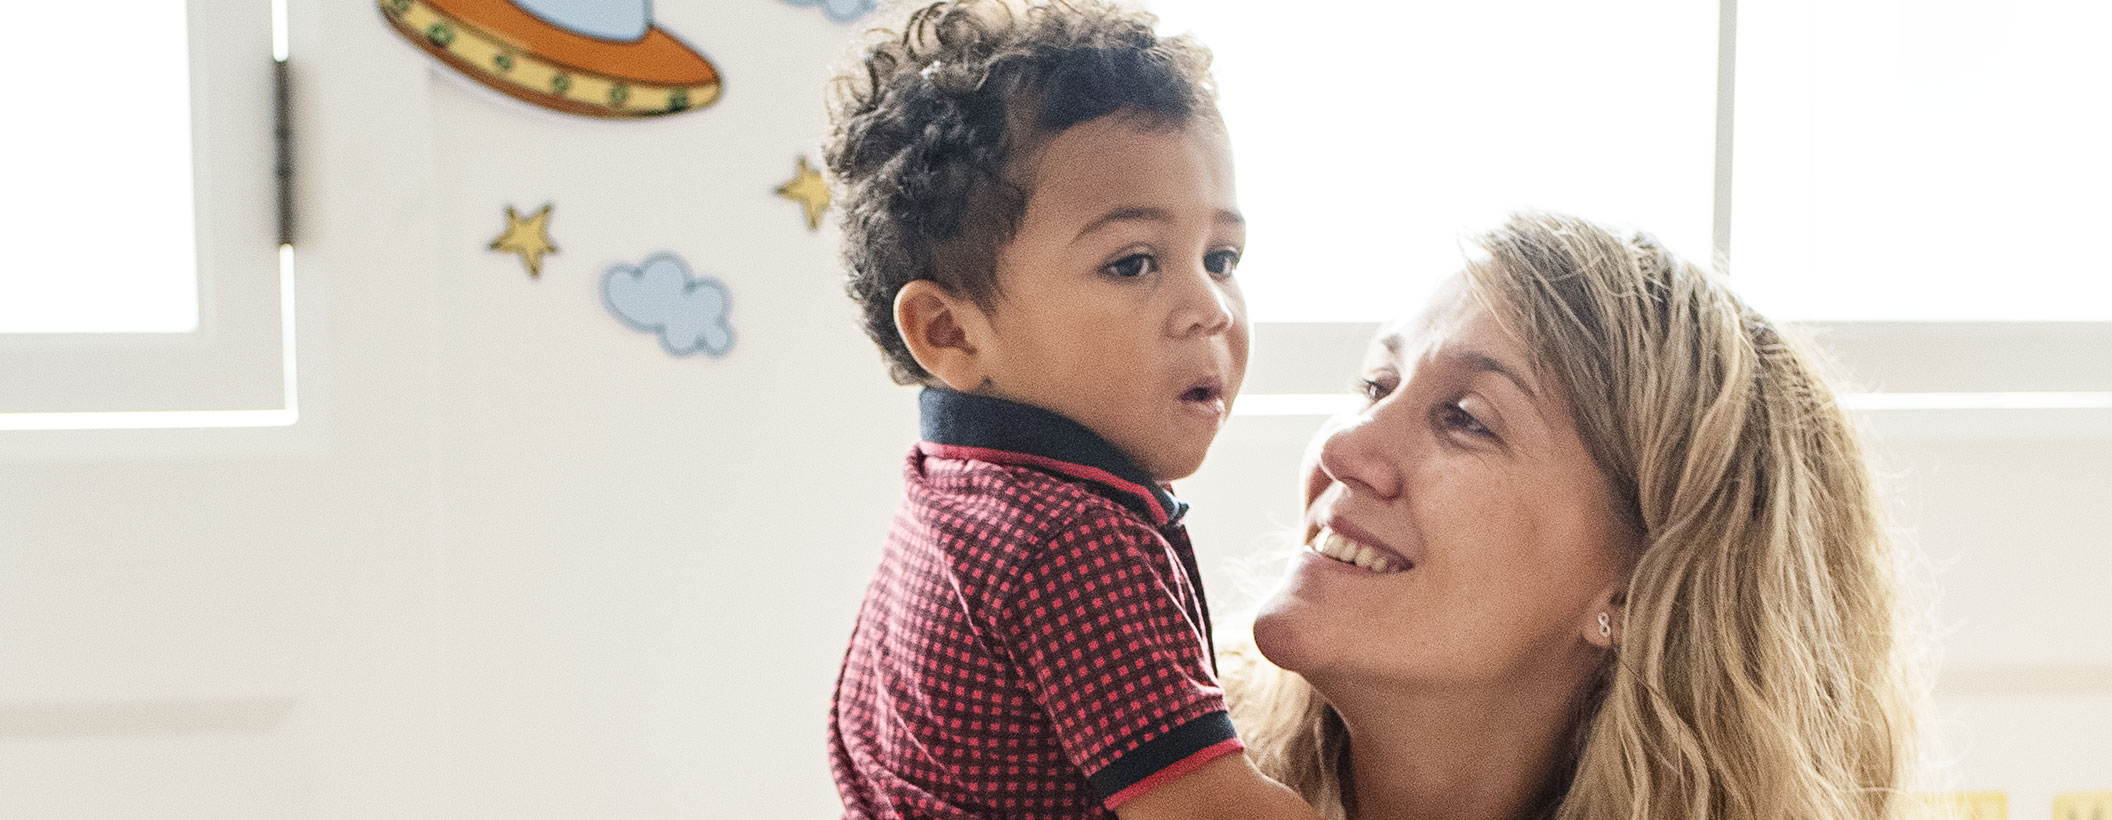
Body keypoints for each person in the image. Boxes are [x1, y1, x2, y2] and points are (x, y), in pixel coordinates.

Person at [1231, 211, 1924, 820]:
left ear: (1638, 588)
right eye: (1375, 386)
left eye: (1466, 420)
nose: (1345, 446)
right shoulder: (1135, 752)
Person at [823, 2, 1321, 818]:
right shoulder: (1071, 541)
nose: (1210, 307)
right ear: (951, 332)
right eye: (1132, 264)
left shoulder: (953, 497)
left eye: (1221, 258)